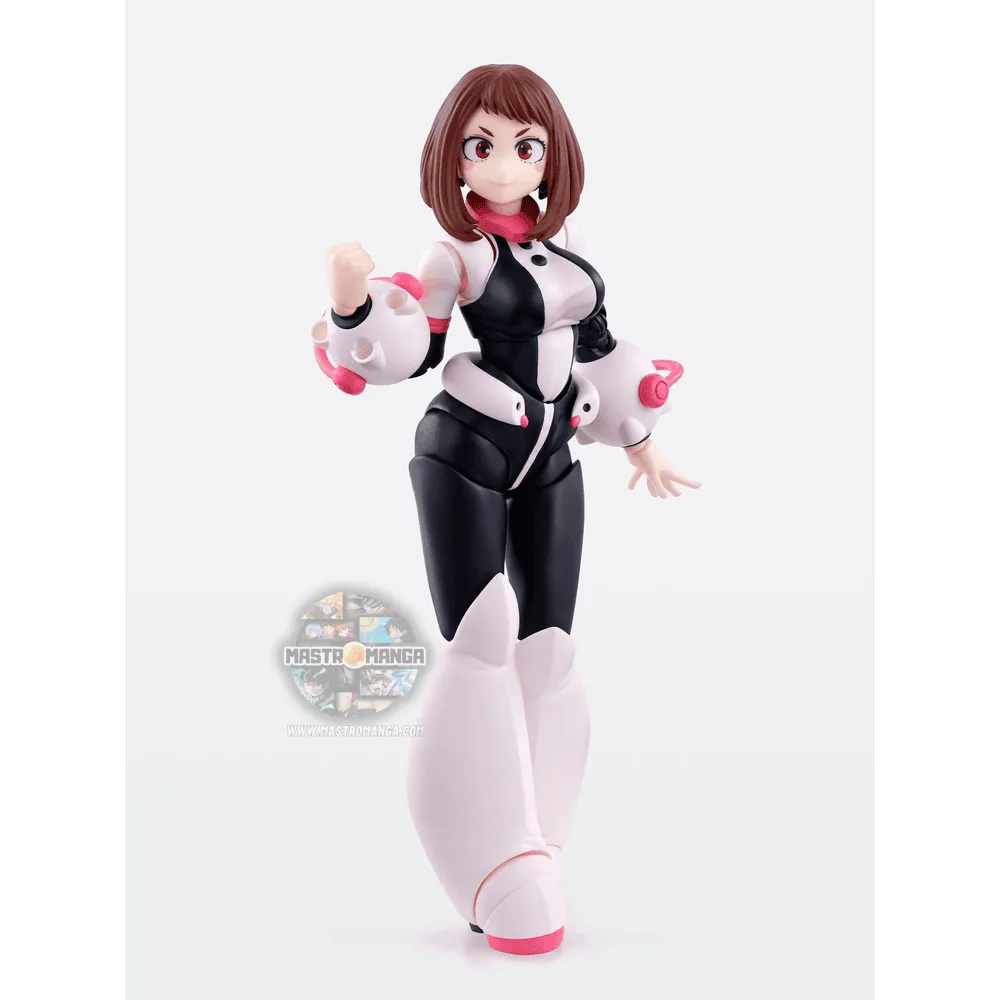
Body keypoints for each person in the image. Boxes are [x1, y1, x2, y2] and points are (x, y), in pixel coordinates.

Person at [315, 64, 699, 955]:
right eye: (480, 145)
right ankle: (484, 861)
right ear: (453, 157)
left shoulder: (566, 255)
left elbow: (598, 352)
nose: (503, 164)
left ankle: (537, 837)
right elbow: (413, 351)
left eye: (526, 146)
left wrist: (640, 439)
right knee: (481, 643)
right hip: (469, 451)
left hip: (552, 457)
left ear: (550, 157)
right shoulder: (454, 258)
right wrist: (350, 302)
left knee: (550, 651)